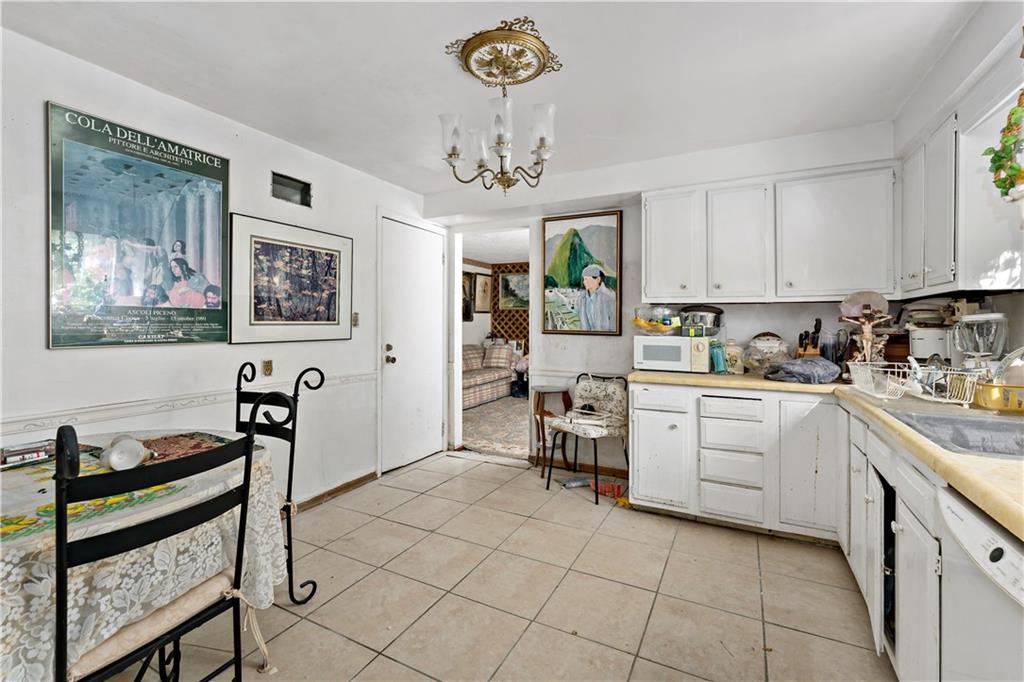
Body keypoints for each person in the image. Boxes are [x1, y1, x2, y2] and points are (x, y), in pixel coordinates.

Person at [578, 264, 616, 332]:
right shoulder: (582, 298)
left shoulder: (609, 297)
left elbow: (614, 325)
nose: (584, 282)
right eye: (584, 279)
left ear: (598, 279)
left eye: (586, 279)